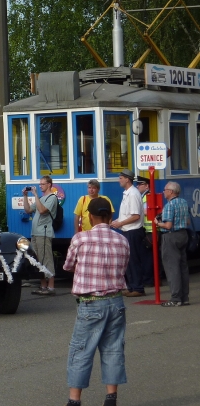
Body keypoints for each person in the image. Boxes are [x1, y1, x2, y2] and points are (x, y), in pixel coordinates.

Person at [63, 197, 130, 406]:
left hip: (91, 302)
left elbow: (68, 265)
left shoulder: (80, 239)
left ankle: (75, 400)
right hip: (116, 301)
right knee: (113, 349)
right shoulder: (122, 240)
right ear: (110, 216)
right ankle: (111, 398)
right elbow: (124, 267)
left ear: (90, 217)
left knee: (81, 350)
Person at [110, 168, 146, 297]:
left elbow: (135, 216)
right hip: (127, 230)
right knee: (128, 260)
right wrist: (116, 221)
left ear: (127, 179)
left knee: (133, 260)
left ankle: (138, 287)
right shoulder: (127, 193)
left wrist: (120, 223)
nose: (119, 180)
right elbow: (127, 215)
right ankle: (131, 286)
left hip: (133, 231)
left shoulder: (133, 194)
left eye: (120, 178)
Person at [155, 181, 190, 307]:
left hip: (171, 237)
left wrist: (157, 223)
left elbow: (168, 225)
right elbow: (187, 222)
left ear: (171, 191)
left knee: (172, 268)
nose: (164, 192)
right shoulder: (184, 202)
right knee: (183, 268)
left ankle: (175, 298)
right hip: (183, 235)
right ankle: (184, 297)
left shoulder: (169, 206)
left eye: (165, 190)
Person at [23, 175, 58, 295]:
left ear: (49, 184)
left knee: (47, 258)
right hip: (35, 233)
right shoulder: (41, 198)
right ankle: (43, 286)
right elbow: (28, 210)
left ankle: (51, 286)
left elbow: (43, 211)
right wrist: (25, 196)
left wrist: (36, 195)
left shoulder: (52, 198)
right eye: (40, 184)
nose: (40, 186)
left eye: (42, 184)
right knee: (38, 260)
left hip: (44, 233)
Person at [136, 176, 155, 286]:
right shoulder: (144, 196)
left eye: (140, 184)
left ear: (147, 185)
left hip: (150, 230)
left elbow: (147, 212)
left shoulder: (148, 196)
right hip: (148, 229)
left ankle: (149, 280)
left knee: (148, 258)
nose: (137, 186)